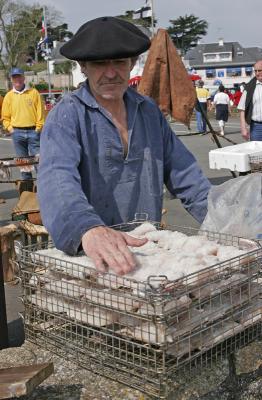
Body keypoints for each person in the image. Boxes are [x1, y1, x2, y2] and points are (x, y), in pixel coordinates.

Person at [37, 16, 211, 276]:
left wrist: (227, 220)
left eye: (119, 61)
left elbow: (188, 178)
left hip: (144, 251)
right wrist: (87, 229)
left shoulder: (149, 111)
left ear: (131, 63)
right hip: (90, 256)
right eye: (99, 64)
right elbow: (57, 180)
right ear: (83, 66)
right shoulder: (67, 115)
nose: (110, 73)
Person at [2, 68, 45, 180]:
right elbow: (5, 117)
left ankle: (43, 191)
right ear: (11, 79)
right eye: (14, 77)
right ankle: (27, 190)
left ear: (23, 78)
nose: (17, 79)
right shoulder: (8, 96)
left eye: (19, 76)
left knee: (40, 163)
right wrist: (11, 129)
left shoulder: (34, 93)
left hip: (33, 132)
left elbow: (41, 112)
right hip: (17, 133)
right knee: (24, 165)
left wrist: (38, 129)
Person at [238, 60, 262, 141]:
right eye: (255, 71)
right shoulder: (249, 87)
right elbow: (242, 109)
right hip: (256, 127)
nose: (257, 73)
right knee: (256, 152)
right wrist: (243, 128)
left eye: (260, 70)